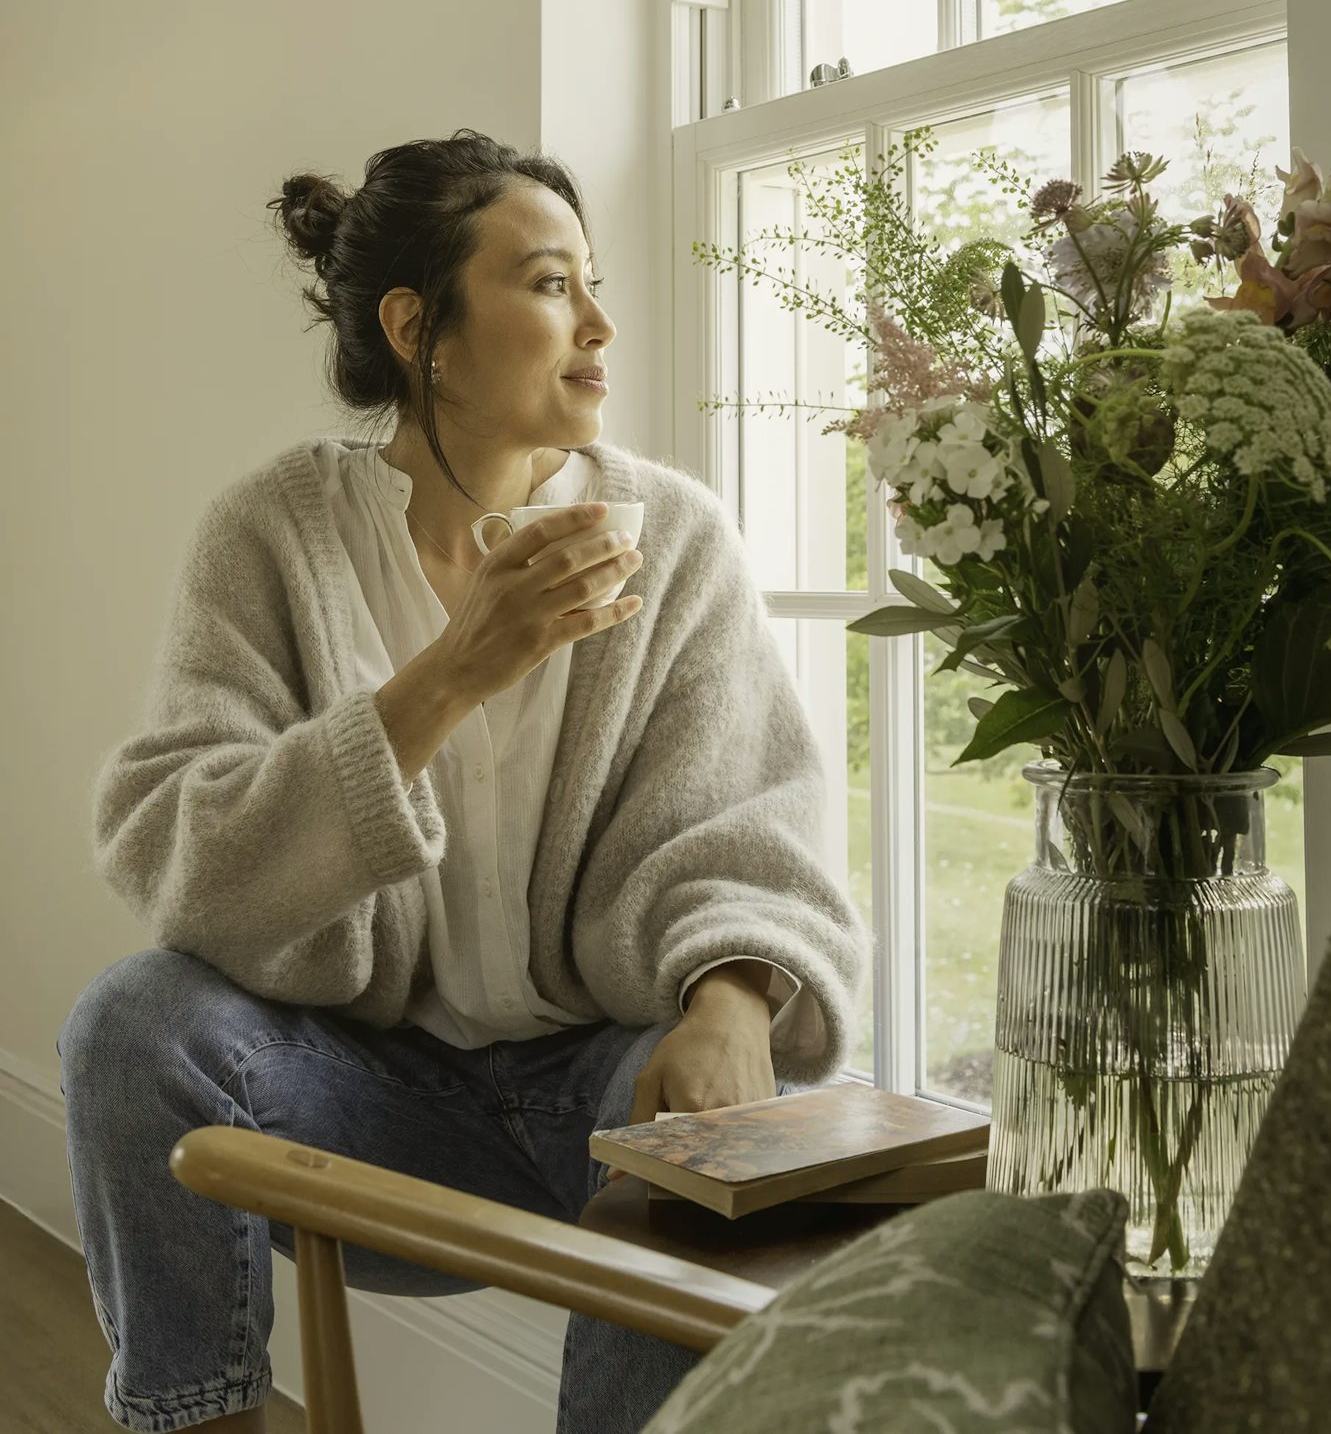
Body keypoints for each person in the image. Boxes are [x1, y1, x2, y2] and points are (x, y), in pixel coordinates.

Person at [56, 129, 868, 1434]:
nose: (599, 320)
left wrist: (731, 997)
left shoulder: (676, 539)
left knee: (703, 1098)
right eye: (551, 284)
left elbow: (744, 816)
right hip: (363, 1090)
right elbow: (181, 847)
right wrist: (449, 674)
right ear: (417, 324)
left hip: (600, 1090)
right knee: (130, 1024)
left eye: (593, 282)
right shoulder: (274, 533)